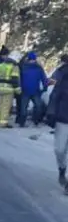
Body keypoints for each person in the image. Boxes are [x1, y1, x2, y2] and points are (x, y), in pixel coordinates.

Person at [46, 64, 68, 194]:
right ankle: (62, 169)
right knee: (60, 149)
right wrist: (51, 114)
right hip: (63, 118)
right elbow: (54, 96)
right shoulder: (63, 73)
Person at [18, 51, 50, 126]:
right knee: (38, 106)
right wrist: (45, 88)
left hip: (25, 90)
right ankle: (36, 120)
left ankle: (22, 122)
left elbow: (19, 79)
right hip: (35, 91)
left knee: (24, 107)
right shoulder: (39, 68)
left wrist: (19, 87)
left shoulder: (23, 67)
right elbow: (44, 79)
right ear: (35, 59)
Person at [0, 51, 21, 128]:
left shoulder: (1, 64)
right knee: (6, 106)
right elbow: (15, 79)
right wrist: (17, 89)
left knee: (1, 104)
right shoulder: (14, 66)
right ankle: (3, 123)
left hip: (0, 87)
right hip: (8, 88)